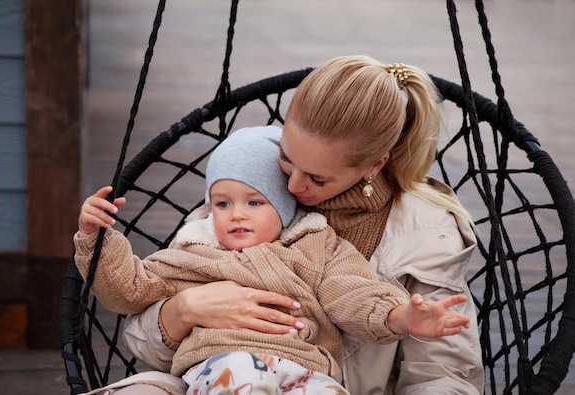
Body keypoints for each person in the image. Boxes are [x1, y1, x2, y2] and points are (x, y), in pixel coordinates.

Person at [118, 55, 485, 394]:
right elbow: (141, 342)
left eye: (317, 179)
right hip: (217, 375)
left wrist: (401, 317)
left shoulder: (426, 233)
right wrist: (185, 308)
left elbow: (443, 376)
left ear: (374, 165)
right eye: (286, 158)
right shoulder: (253, 189)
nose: (292, 187)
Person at [74, 126, 471, 395]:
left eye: (255, 202)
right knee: (240, 381)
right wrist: (97, 238)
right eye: (222, 203)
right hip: (225, 362)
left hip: (309, 370)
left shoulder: (315, 245)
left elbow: (352, 292)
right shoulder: (194, 251)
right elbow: (128, 288)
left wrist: (400, 317)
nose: (237, 214)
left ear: (283, 207)